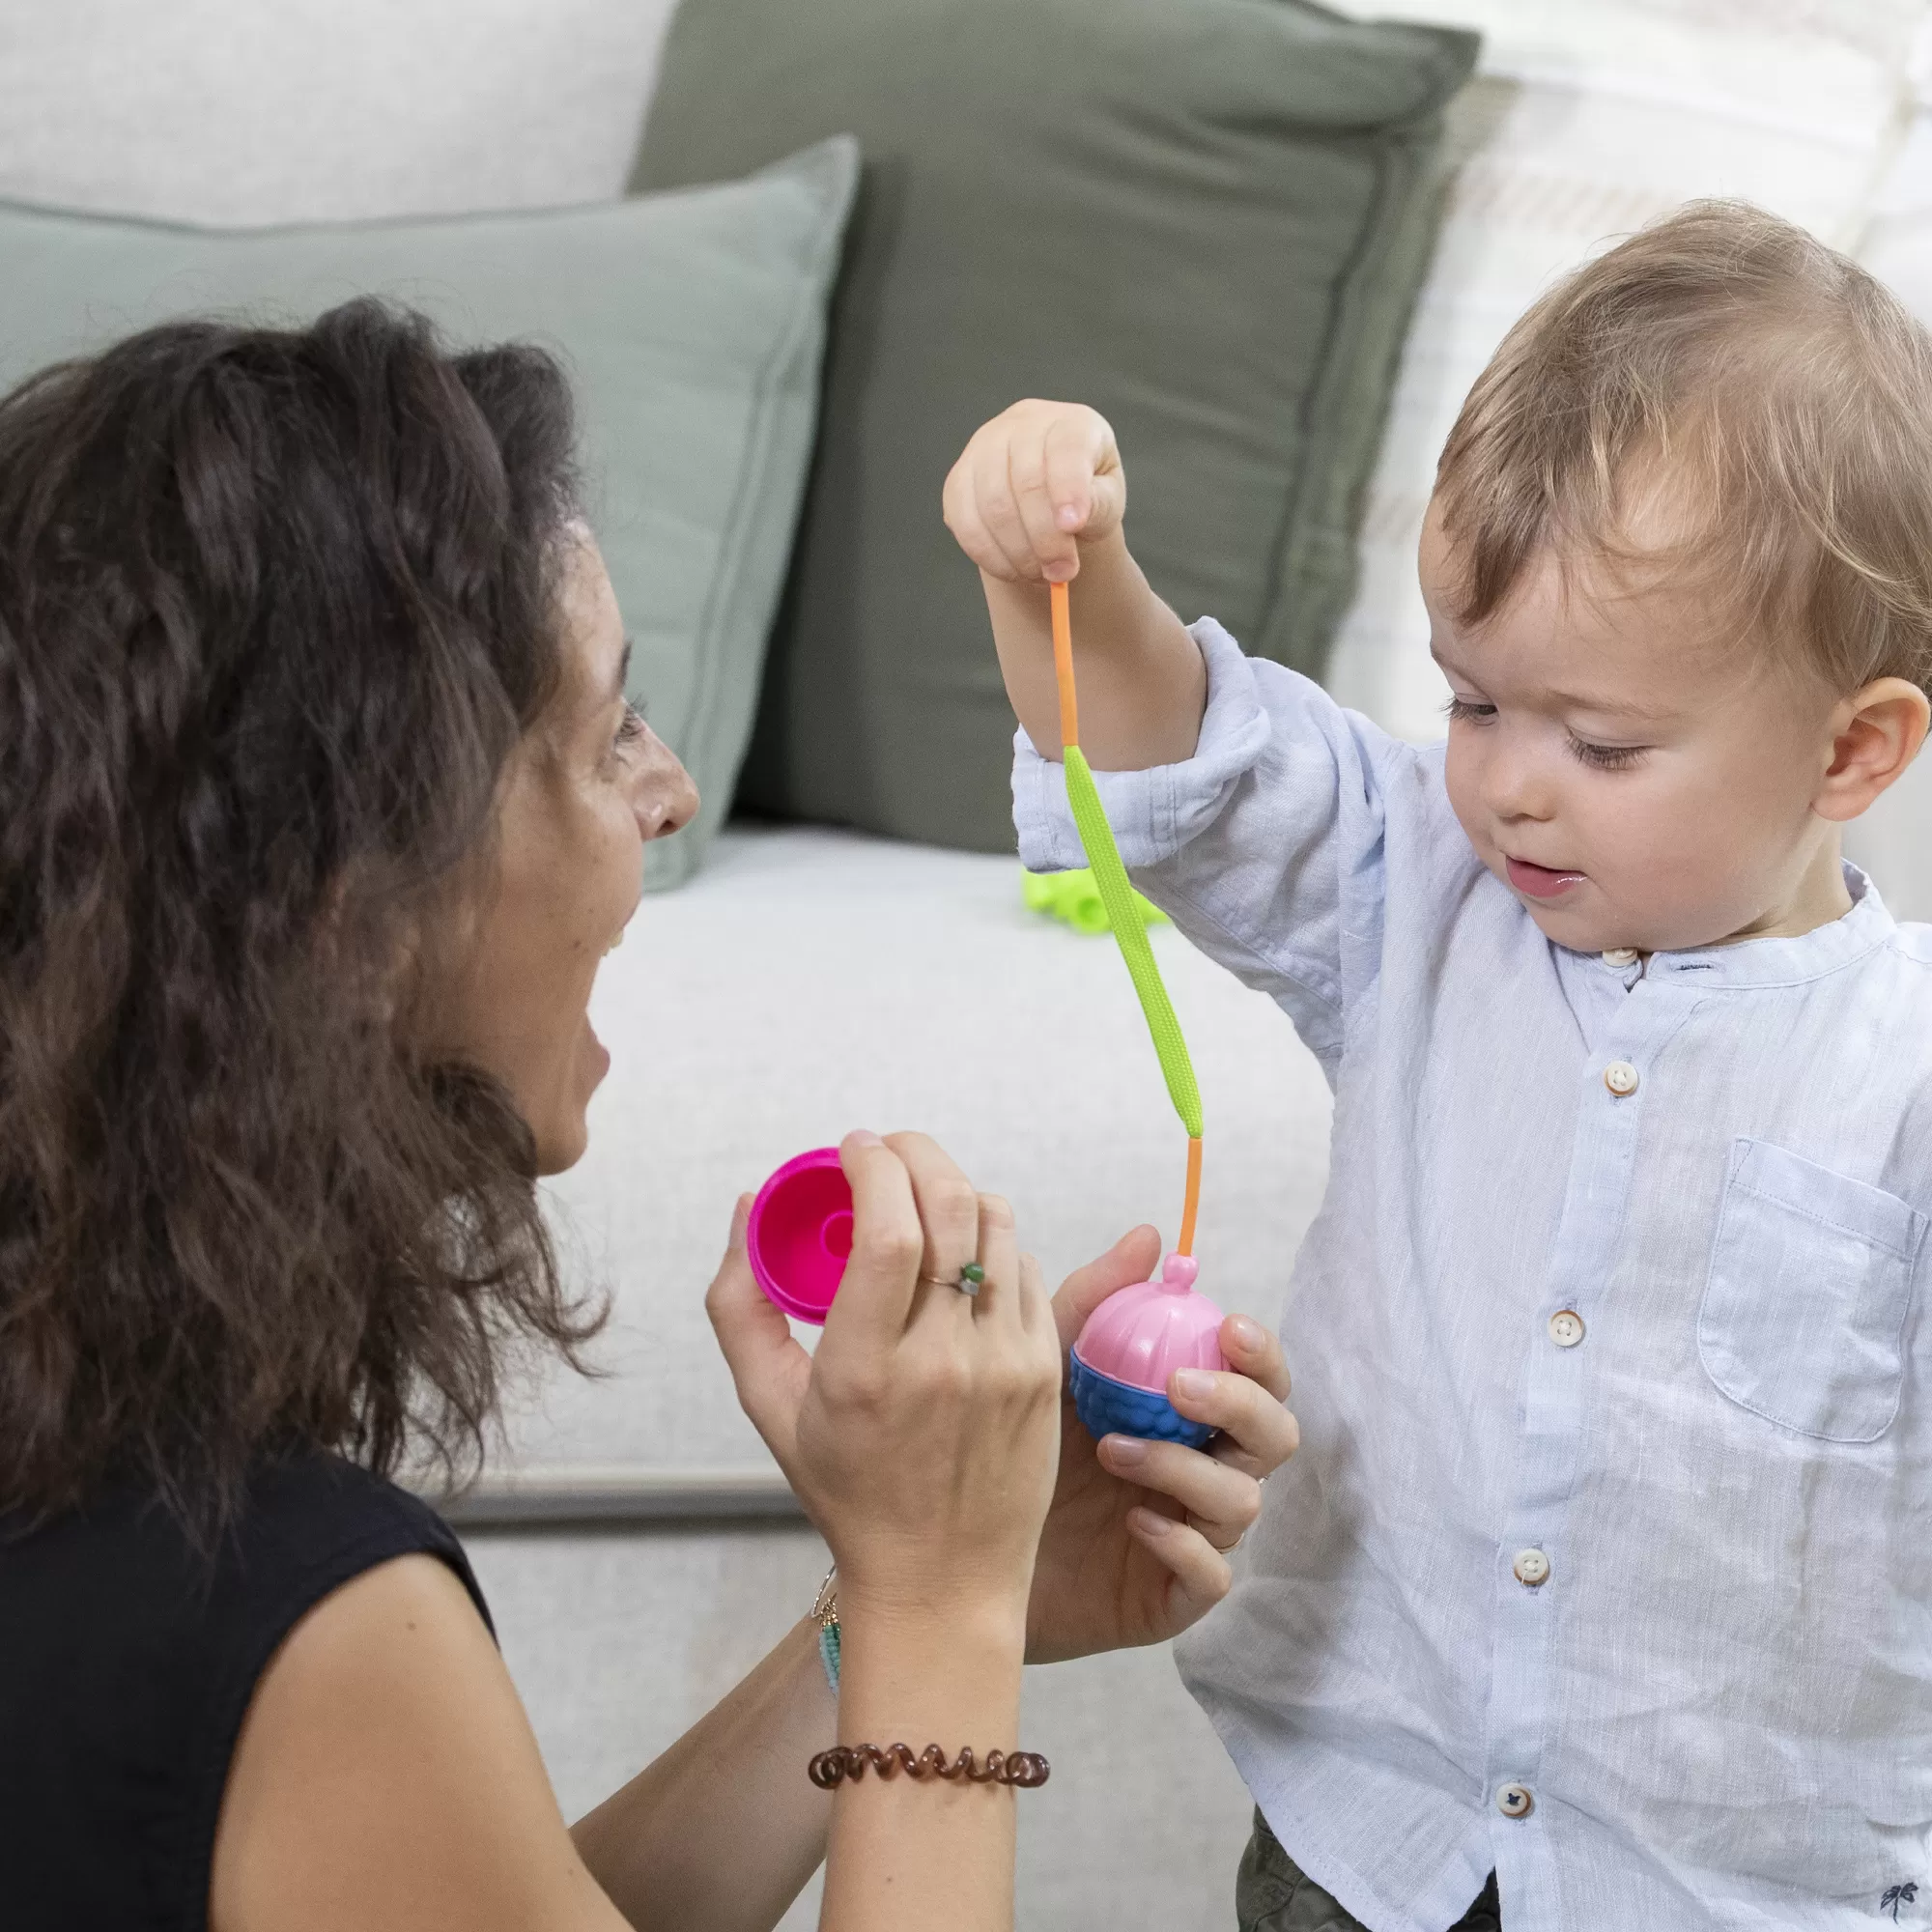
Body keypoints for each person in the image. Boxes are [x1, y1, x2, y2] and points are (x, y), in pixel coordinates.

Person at [0, 300, 1301, 1932]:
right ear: (354, 913)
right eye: (608, 726)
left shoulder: (122, 1502)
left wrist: (884, 1623)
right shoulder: (282, 1613)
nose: (670, 788)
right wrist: (940, 1617)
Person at [944, 199, 1932, 1930]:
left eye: (1601, 740)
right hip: (1363, 1843)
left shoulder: (1899, 1066)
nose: (1512, 786)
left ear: (1854, 749)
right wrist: (1067, 567)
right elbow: (1180, 750)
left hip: (1726, 1888)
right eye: (1475, 703)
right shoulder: (1417, 886)